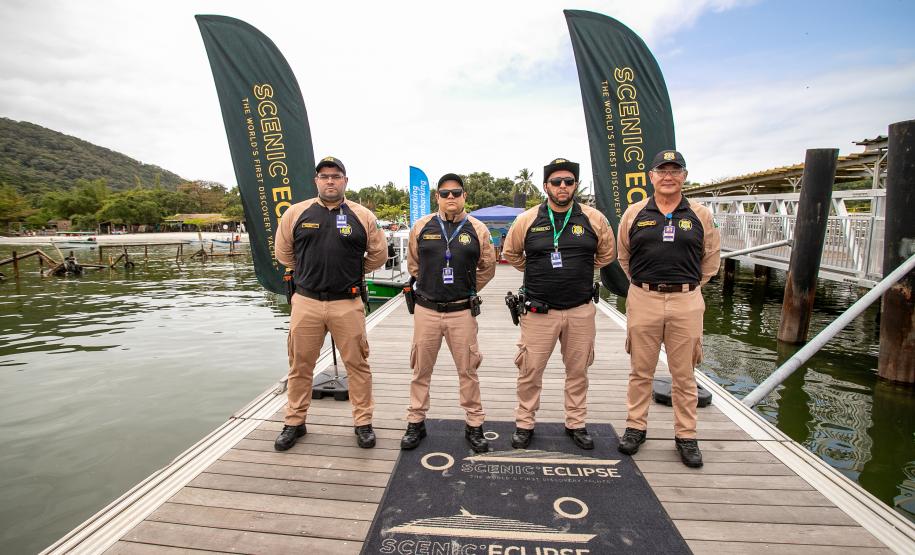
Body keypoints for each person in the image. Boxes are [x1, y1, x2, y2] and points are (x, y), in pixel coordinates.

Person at [273, 156, 388, 451]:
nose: (330, 181)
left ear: (345, 181)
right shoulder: (296, 213)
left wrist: (351, 272)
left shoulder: (362, 215)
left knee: (358, 365)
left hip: (346, 303)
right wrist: (308, 272)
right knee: (300, 365)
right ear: (316, 181)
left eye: (336, 176)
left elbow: (378, 255)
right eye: (324, 176)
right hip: (306, 302)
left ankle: (363, 423)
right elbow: (284, 253)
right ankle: (294, 423)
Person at [616, 150, 721, 468]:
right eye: (662, 170)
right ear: (652, 176)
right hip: (644, 297)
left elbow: (711, 260)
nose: (668, 176)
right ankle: (636, 428)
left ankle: (686, 436)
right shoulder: (634, 213)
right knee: (640, 371)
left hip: (686, 300)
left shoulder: (700, 214)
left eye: (675, 170)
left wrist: (685, 288)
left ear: (684, 177)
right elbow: (624, 256)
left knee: (684, 374)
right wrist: (647, 285)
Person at [502, 158, 616, 450]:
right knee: (530, 371)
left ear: (576, 185)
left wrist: (578, 270)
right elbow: (512, 254)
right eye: (556, 182)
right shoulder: (527, 219)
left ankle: (575, 423)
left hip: (580, 309)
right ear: (546, 186)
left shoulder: (593, 218)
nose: (562, 186)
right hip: (539, 311)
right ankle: (525, 423)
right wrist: (539, 270)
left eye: (568, 181)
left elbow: (606, 254)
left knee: (578, 371)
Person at [401, 173, 497, 453]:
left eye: (456, 192)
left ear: (464, 196)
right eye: (445, 193)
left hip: (461, 312)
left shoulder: (477, 229)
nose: (451, 197)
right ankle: (416, 421)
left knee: (468, 369)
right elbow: (413, 265)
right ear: (437, 197)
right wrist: (432, 284)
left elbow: (487, 268)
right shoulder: (422, 226)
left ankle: (474, 425)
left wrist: (465, 288)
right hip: (426, 310)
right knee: (420, 369)